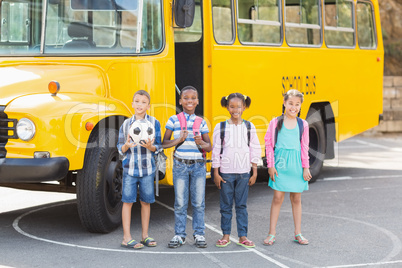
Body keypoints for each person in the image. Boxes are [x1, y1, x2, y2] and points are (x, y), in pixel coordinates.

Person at [162, 85, 212, 248]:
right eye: (186, 98)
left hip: (198, 166)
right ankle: (179, 235)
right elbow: (164, 143)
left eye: (193, 98)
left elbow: (209, 147)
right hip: (180, 165)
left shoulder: (201, 122)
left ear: (197, 101)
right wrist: (179, 140)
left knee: (198, 202)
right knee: (180, 202)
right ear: (180, 101)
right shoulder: (173, 120)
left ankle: (199, 234)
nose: (189, 101)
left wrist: (201, 142)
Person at [211, 93, 261, 248]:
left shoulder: (249, 126)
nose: (235, 110)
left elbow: (255, 148)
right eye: (232, 106)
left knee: (241, 206)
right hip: (226, 173)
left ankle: (243, 235)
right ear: (227, 107)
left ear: (244, 107)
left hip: (244, 172)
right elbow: (216, 150)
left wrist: (255, 171)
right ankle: (225, 235)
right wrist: (216, 172)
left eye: (238, 107)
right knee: (225, 206)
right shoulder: (221, 126)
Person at [263, 89, 312, 246]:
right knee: (278, 198)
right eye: (290, 103)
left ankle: (298, 233)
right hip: (280, 165)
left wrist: (306, 167)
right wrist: (270, 165)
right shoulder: (275, 122)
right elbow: (269, 145)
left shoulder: (303, 124)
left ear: (300, 106)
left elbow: (304, 147)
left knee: (296, 198)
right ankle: (271, 233)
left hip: (296, 166)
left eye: (297, 104)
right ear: (284, 103)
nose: (293, 107)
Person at [117, 90, 162, 249]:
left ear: (148, 106)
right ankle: (126, 237)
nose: (140, 105)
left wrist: (151, 147)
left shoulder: (154, 123)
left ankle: (145, 235)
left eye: (143, 102)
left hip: (147, 170)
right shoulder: (126, 124)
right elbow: (119, 149)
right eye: (137, 101)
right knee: (127, 202)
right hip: (130, 169)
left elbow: (159, 147)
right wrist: (126, 146)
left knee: (146, 202)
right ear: (132, 104)